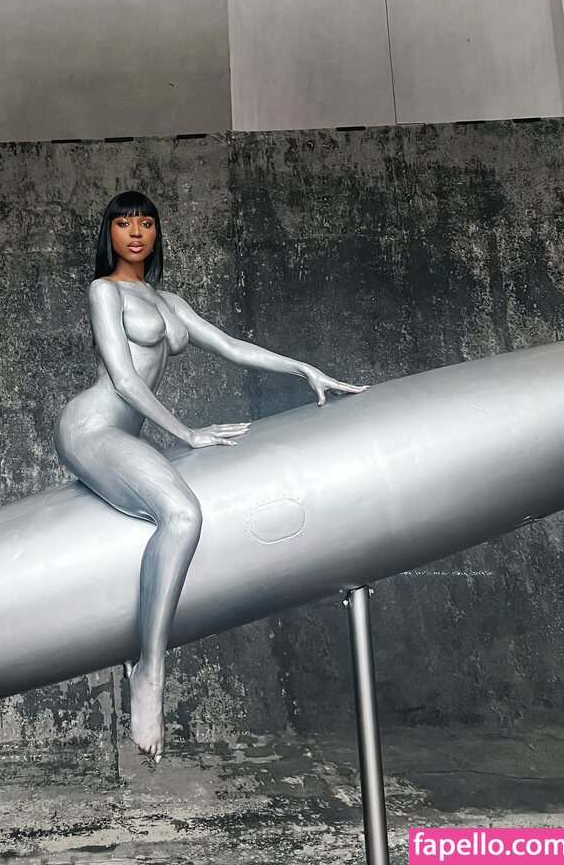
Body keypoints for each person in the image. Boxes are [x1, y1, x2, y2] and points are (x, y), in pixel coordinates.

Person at [55, 191, 365, 762]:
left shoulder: (169, 302)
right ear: (109, 234)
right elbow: (124, 380)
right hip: (91, 427)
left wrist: (303, 369)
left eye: (146, 223)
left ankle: (145, 665)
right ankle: (149, 672)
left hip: (127, 434)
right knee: (181, 515)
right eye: (123, 223)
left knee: (177, 517)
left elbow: (230, 346)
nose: (135, 232)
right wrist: (188, 434)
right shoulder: (105, 291)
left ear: (156, 233)